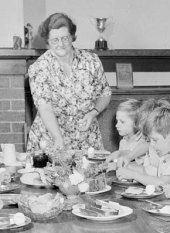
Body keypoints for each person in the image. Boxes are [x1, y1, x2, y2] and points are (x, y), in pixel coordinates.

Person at [27, 12, 112, 152]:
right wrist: (58, 138)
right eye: (55, 40)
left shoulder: (91, 61)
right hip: (50, 138)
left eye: (65, 38)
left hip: (86, 139)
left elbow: (105, 93)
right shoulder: (39, 68)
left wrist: (93, 113)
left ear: (72, 37)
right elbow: (45, 108)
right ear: (47, 41)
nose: (60, 44)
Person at [116, 103, 170, 187]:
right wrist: (127, 167)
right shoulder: (165, 156)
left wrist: (134, 175)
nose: (151, 144)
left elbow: (161, 182)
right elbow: (149, 172)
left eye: (155, 140)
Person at [107, 99, 148, 169]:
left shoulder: (143, 141)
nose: (117, 125)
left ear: (136, 123)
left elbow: (141, 166)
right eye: (117, 121)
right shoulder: (123, 141)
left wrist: (119, 156)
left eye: (122, 122)